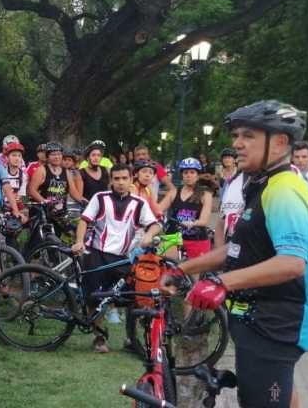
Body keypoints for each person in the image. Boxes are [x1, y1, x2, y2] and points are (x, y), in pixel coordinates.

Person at [165, 100, 308, 408]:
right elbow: (236, 249)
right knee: (280, 393)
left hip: (277, 321)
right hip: (260, 317)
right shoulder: (263, 183)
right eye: (236, 135)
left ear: (279, 141)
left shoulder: (285, 190)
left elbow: (292, 263)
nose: (237, 143)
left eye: (248, 136)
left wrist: (222, 284)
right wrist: (183, 268)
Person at [71, 164, 160, 353]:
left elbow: (155, 224)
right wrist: (79, 241)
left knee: (133, 299)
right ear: (111, 180)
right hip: (96, 254)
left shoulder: (139, 203)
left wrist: (149, 235)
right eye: (117, 179)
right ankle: (99, 338)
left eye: (124, 178)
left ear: (130, 179)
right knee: (94, 299)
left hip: (123, 258)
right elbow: (84, 220)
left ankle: (131, 339)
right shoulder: (100, 198)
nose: (120, 182)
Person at [157, 158, 214, 259]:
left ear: (198, 175)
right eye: (185, 172)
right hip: (173, 237)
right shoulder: (174, 192)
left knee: (194, 273)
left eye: (192, 172)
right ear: (182, 175)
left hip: (196, 238)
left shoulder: (205, 194)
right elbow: (158, 211)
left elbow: (204, 221)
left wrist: (192, 223)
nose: (188, 175)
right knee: (167, 269)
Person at [28, 143, 82, 220]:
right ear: (47, 156)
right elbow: (32, 190)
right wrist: (44, 201)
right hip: (41, 210)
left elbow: (73, 192)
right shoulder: (41, 170)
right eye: (53, 154)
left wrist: (83, 202)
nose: (57, 157)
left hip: (59, 210)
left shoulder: (66, 172)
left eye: (59, 154)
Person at [2, 142, 28, 208]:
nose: (17, 158)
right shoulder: (1, 174)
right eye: (14, 155)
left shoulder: (23, 176)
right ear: (7, 158)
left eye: (19, 156)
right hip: (2, 207)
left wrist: (21, 200)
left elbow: (22, 196)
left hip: (16, 206)